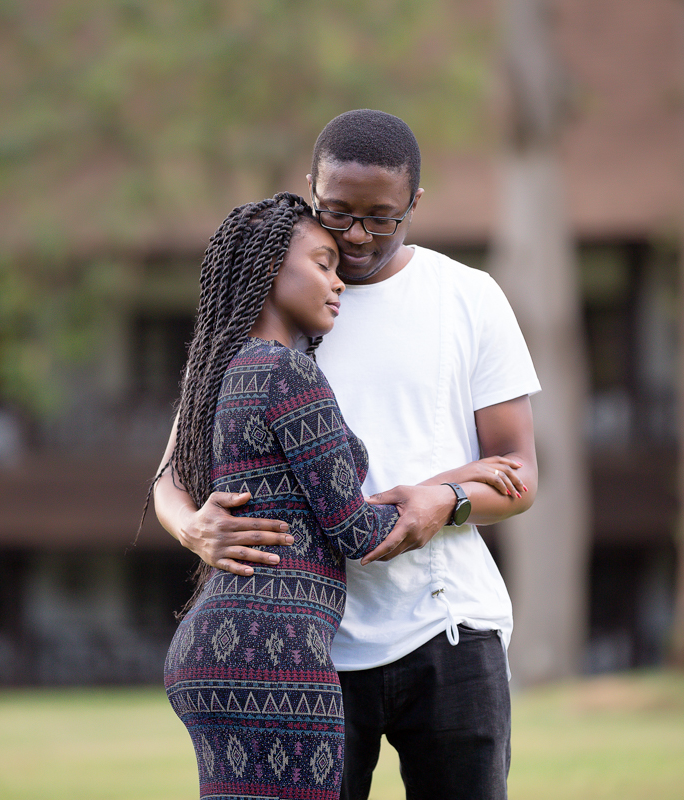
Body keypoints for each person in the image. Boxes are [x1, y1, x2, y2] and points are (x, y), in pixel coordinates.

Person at [153, 110, 540, 800]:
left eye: (381, 218)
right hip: (310, 648)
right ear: (311, 187)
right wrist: (192, 528)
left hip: (448, 626)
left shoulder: (468, 297)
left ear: (414, 205)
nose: (357, 236)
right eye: (336, 215)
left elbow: (520, 474)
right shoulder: (267, 311)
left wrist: (444, 499)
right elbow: (172, 468)